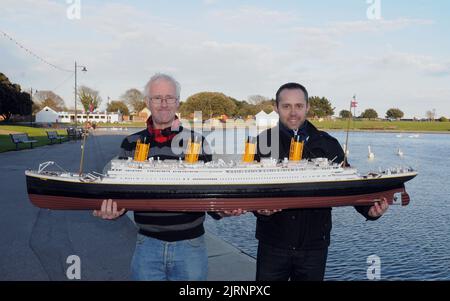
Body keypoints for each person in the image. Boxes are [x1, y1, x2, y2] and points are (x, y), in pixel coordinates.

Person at [93, 73, 237, 280]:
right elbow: (122, 192)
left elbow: (207, 193)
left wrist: (223, 210)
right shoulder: (130, 143)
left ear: (177, 102)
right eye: (157, 98)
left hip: (191, 248)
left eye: (169, 98)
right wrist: (114, 210)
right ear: (147, 102)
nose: (163, 104)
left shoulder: (198, 141)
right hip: (146, 246)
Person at [254, 82, 389, 281]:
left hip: (314, 247)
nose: (293, 112)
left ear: (308, 107)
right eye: (286, 106)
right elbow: (251, 188)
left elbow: (348, 184)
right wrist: (259, 209)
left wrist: (369, 210)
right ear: (276, 108)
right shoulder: (263, 142)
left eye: (299, 106)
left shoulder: (328, 144)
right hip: (273, 244)